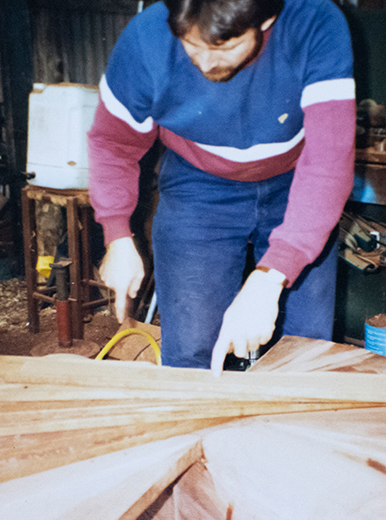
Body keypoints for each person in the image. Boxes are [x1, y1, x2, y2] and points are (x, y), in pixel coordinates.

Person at [88, 0, 356, 375]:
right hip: (197, 182)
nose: (204, 64)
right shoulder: (146, 39)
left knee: (304, 353)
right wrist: (116, 234)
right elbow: (113, 143)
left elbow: (329, 159)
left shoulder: (315, 22)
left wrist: (272, 276)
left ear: (267, 19)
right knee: (192, 352)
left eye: (225, 47)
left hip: (300, 181)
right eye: (190, 45)